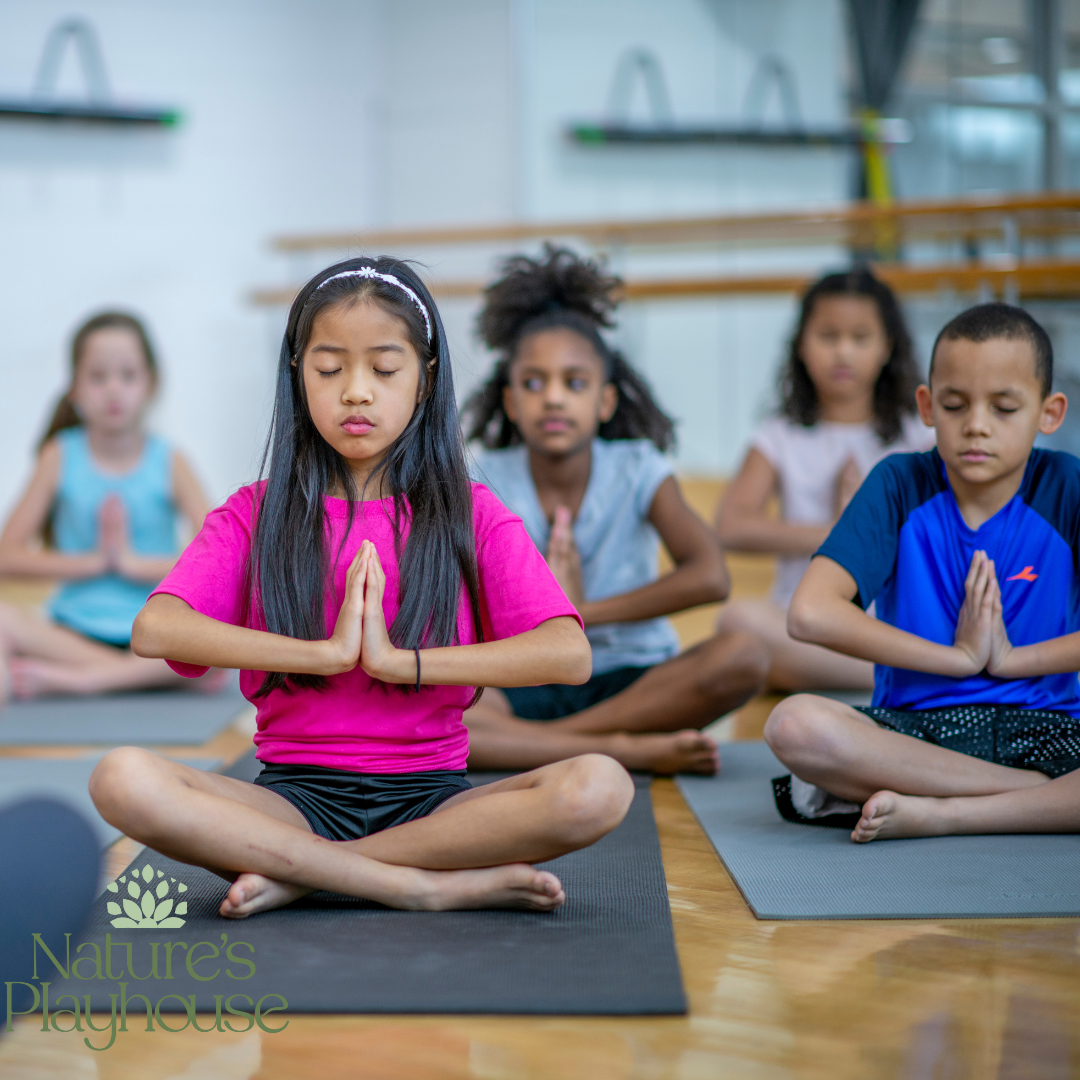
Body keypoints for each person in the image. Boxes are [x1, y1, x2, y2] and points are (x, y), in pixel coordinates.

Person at [90, 257, 634, 919]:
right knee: (120, 777)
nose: (355, 392)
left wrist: (399, 664)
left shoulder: (470, 510)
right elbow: (158, 630)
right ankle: (416, 883)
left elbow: (566, 654)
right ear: (298, 376)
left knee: (598, 787)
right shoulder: (255, 511)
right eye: (328, 370)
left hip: (436, 801)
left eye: (383, 369)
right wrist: (324, 653)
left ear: (424, 381)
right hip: (291, 801)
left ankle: (310, 874)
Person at [764, 302, 1080, 843]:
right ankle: (1032, 798)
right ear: (928, 406)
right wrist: (954, 659)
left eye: (1004, 408)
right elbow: (810, 614)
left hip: (1053, 729)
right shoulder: (898, 482)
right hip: (918, 734)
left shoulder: (1066, 484)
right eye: (956, 405)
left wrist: (1010, 661)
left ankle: (947, 813)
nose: (977, 426)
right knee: (794, 725)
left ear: (1049, 413)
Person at [461, 246, 769, 776]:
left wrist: (576, 614)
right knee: (432, 706)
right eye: (534, 383)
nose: (553, 399)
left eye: (573, 383)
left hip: (632, 677)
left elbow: (710, 576)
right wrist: (540, 631)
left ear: (605, 402)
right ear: (511, 403)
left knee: (745, 656)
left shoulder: (636, 467)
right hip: (525, 681)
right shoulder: (485, 478)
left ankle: (542, 746)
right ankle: (620, 749)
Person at [715, 269, 934, 692]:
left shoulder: (920, 436)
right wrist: (840, 533)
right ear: (801, 346)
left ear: (887, 346)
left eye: (860, 337)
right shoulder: (780, 435)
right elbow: (731, 525)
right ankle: (913, 673)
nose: (843, 353)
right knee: (736, 621)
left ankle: (907, 666)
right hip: (804, 626)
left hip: (892, 626)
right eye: (828, 336)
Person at [0, 312, 215, 702]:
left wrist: (132, 564)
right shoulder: (59, 456)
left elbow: (220, 559)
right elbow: (6, 556)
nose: (114, 390)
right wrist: (95, 562)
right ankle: (129, 677)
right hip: (73, 634)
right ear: (75, 390)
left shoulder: (170, 460)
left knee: (226, 634)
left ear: (150, 385)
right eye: (98, 378)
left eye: (128, 376)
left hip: (155, 633)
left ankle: (87, 680)